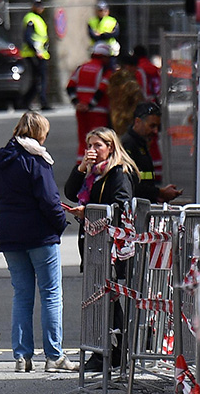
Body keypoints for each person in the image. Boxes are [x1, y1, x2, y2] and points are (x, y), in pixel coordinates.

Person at [0, 111, 78, 374]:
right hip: (40, 235)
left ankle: (21, 356)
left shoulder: (0, 160)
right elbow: (49, 201)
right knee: (50, 294)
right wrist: (61, 223)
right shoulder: (36, 159)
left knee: (22, 295)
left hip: (10, 236)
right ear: (39, 132)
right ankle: (54, 356)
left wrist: (8, 217)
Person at [63, 127, 137, 372]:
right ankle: (107, 352)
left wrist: (91, 212)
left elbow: (121, 204)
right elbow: (70, 191)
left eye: (98, 146)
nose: (92, 151)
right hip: (94, 242)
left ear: (111, 147)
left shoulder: (119, 172)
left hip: (110, 245)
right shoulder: (94, 172)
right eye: (89, 146)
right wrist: (82, 166)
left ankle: (113, 350)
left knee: (108, 298)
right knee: (99, 298)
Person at [120, 102, 182, 203]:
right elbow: (131, 185)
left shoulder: (140, 144)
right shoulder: (128, 145)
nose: (155, 131)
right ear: (137, 122)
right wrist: (160, 192)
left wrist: (157, 195)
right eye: (152, 126)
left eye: (158, 127)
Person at [66, 43, 113, 161]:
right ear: (104, 57)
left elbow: (70, 87)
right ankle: (97, 166)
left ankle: (81, 166)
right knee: (99, 141)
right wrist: (90, 105)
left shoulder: (81, 68)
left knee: (83, 140)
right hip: (98, 112)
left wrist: (77, 103)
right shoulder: (105, 71)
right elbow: (102, 89)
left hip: (81, 111)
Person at [20, 0, 52, 111]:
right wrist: (36, 51)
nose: (39, 7)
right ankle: (42, 102)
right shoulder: (31, 18)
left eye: (40, 5)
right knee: (40, 79)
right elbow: (28, 38)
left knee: (38, 79)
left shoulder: (39, 18)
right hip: (34, 54)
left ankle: (25, 101)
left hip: (40, 54)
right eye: (37, 5)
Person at [107, 54, 145, 135]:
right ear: (129, 66)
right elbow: (139, 100)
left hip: (115, 117)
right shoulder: (131, 83)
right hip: (129, 119)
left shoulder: (113, 79)